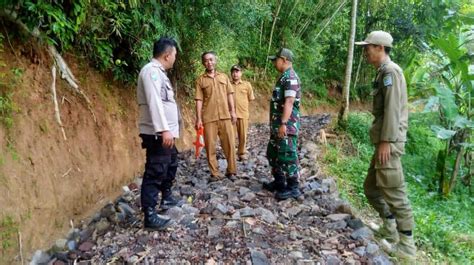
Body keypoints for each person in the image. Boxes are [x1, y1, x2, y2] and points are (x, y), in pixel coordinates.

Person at [355, 30, 416, 260]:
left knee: (396, 195)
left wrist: (386, 142)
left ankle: (407, 249)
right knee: (371, 188)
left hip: (388, 144)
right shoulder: (383, 73)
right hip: (384, 142)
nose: (365, 51)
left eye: (368, 47)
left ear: (380, 48)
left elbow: (392, 111)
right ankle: (389, 229)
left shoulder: (391, 72)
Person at [137, 37, 182, 230]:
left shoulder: (160, 73)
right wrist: (164, 129)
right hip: (158, 134)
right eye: (174, 55)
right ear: (167, 54)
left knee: (171, 162)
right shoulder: (151, 72)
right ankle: (149, 215)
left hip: (165, 133)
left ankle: (167, 197)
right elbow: (155, 101)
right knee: (155, 170)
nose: (175, 58)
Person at [263, 48, 302, 200]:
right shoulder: (284, 77)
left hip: (286, 125)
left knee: (287, 155)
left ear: (284, 60)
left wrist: (284, 123)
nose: (274, 62)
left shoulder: (291, 77)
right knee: (273, 153)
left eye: (276, 59)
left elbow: (290, 101)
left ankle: (293, 187)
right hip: (277, 125)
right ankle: (279, 181)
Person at [195, 51, 237, 182]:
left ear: (215, 60)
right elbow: (198, 100)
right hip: (209, 118)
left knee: (229, 144)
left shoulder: (224, 77)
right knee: (210, 146)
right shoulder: (200, 80)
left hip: (225, 116)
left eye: (211, 59)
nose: (209, 62)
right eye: (206, 60)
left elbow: (230, 94)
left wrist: (233, 112)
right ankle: (215, 173)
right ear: (203, 63)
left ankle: (231, 171)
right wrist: (198, 118)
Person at [230, 64, 255, 161]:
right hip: (230, 114)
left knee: (243, 135)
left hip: (243, 114)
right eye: (233, 71)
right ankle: (232, 153)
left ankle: (241, 152)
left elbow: (250, 98)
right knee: (230, 136)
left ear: (241, 73)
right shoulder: (228, 84)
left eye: (237, 71)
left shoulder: (247, 85)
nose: (235, 74)